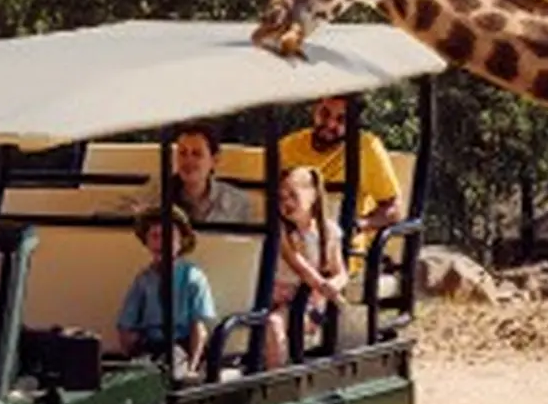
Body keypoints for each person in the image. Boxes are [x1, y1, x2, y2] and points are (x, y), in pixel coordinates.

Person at [276, 95, 403, 235]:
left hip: (343, 246)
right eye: (324, 114)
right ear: (314, 110)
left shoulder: (366, 148)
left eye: (341, 119)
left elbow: (394, 209)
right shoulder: (287, 147)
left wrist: (359, 224)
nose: (330, 124)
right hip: (293, 244)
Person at [113, 203, 216, 372]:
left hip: (180, 346)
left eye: (168, 237)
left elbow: (198, 329)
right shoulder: (143, 280)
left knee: (171, 370)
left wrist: (192, 368)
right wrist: (132, 352)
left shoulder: (193, 277)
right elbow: (126, 326)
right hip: (149, 346)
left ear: (181, 241)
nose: (160, 243)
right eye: (154, 236)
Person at [266, 163, 347, 366]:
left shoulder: (328, 231)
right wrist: (322, 284)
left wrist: (333, 286)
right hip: (274, 295)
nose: (287, 203)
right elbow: (297, 264)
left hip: (305, 302)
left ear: (312, 195)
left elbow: (341, 272)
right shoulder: (281, 230)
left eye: (293, 195)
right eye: (281, 198)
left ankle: (279, 381)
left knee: (274, 324)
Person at [138, 123, 258, 228]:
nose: (188, 160)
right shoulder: (155, 192)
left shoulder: (237, 202)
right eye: (183, 153)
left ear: (214, 160)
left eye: (197, 154)